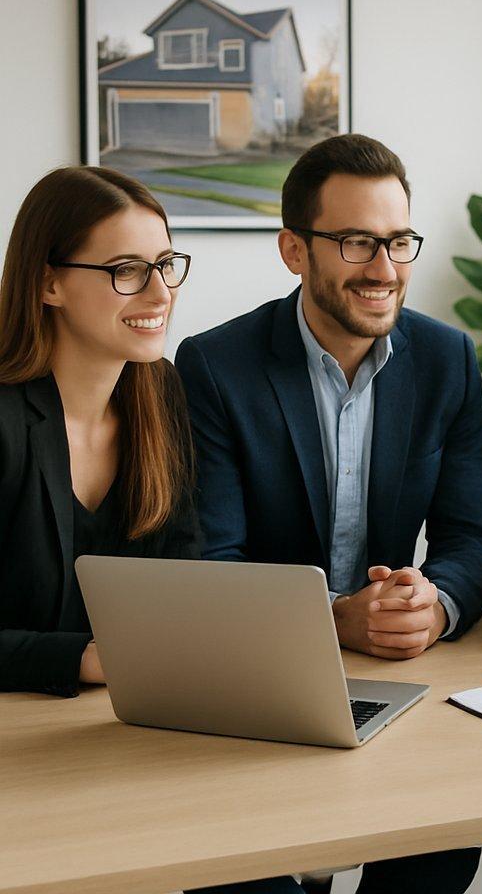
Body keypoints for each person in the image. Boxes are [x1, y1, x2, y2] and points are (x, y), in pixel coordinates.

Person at [175, 133, 482, 894]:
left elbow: (473, 534)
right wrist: (333, 617)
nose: (384, 270)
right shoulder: (215, 367)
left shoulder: (447, 358)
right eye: (358, 243)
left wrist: (438, 602)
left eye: (398, 242)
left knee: (447, 840)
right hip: (259, 683)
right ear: (295, 250)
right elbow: (207, 563)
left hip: (402, 678)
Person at [0, 166, 303, 894]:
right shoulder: (7, 421)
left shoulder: (158, 393)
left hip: (135, 741)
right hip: (25, 767)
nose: (161, 294)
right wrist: (87, 659)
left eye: (165, 265)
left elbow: (185, 578)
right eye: (126, 271)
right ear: (48, 284)